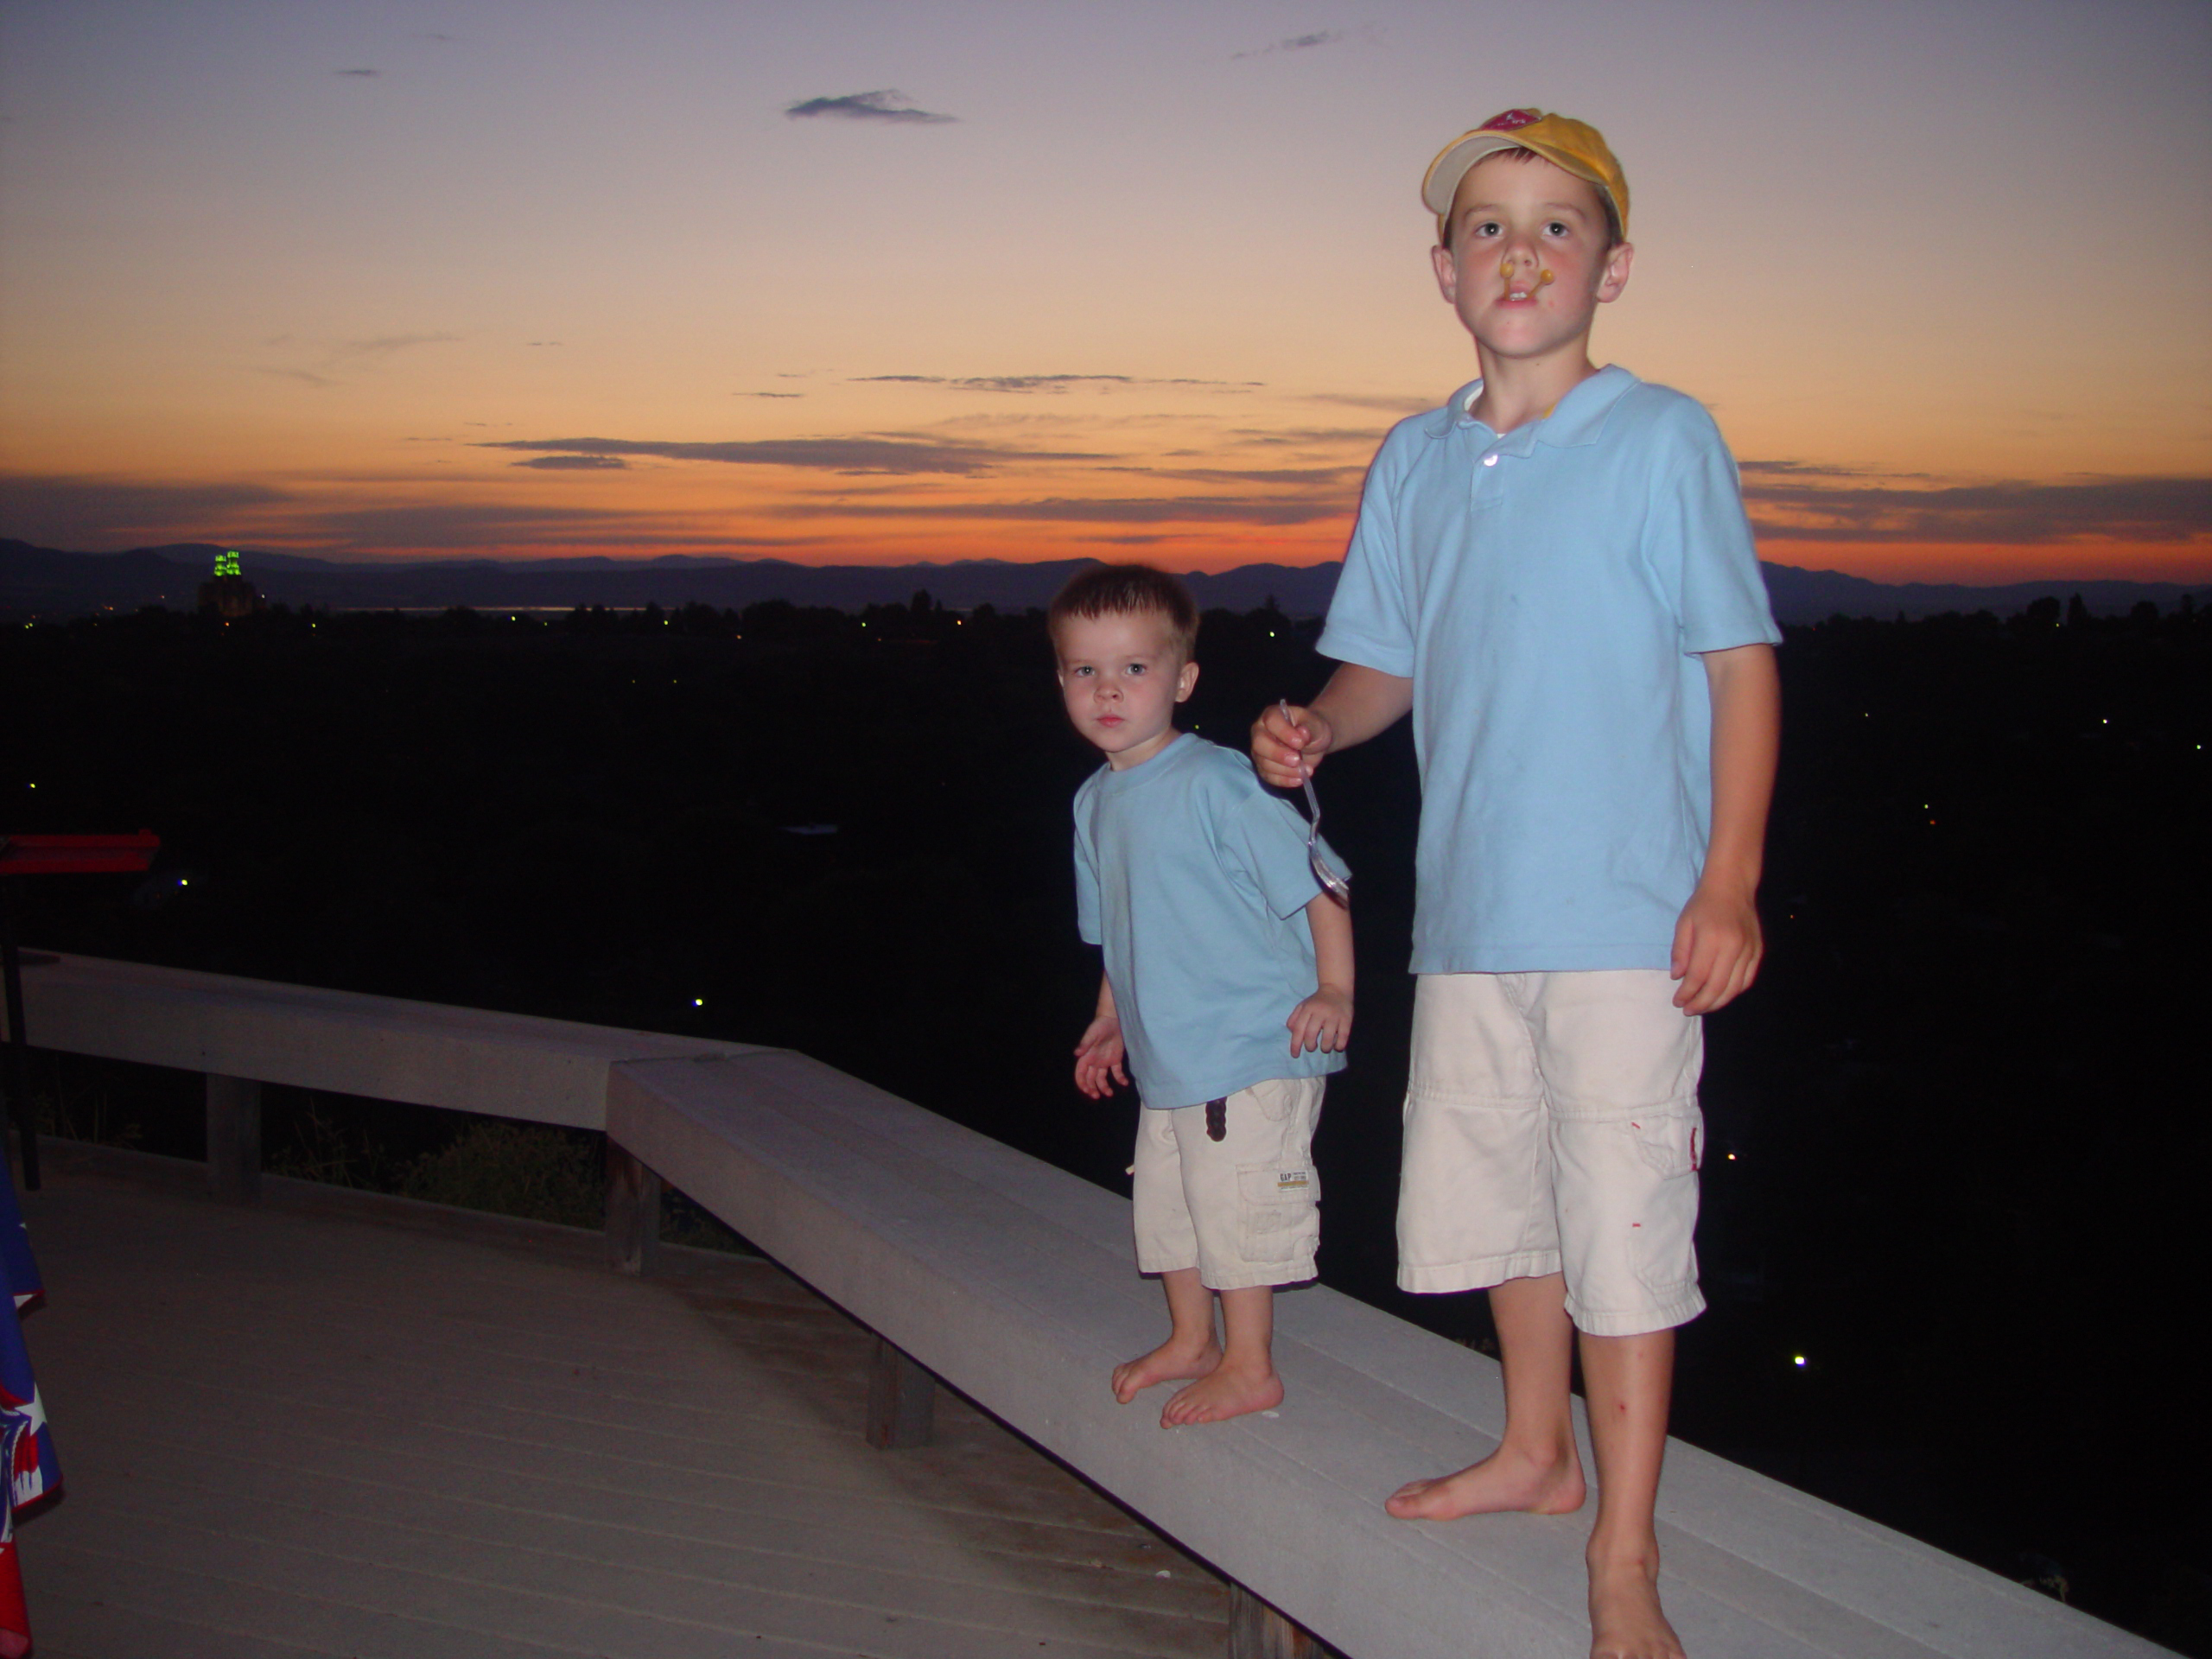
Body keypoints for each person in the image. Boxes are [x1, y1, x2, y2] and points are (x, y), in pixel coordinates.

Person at [1250, 110, 1782, 1659]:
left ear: (1615, 268)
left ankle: (1626, 1557)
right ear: (1442, 270)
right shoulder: (1414, 460)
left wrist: (1731, 881)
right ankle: (1538, 1455)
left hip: (1630, 915)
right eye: (1489, 224)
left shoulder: (1662, 436)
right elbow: (1383, 667)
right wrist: (1314, 725)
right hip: (1470, 913)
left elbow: (1738, 665)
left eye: (1560, 224)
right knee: (1511, 1204)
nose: (1523, 250)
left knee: (1623, 1214)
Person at [1053, 563, 1356, 1428]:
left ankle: (1250, 1363)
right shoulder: (1093, 802)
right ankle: (1191, 1339)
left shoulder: (1222, 782)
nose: (1108, 689)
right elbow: (1117, 925)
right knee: (1172, 1202)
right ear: (1062, 681)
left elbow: (1323, 882)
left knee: (1237, 1206)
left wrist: (1335, 989)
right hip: (1170, 1055)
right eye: (1085, 671)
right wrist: (1110, 1018)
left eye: (1134, 669)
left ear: (1182, 679)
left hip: (1257, 1045)